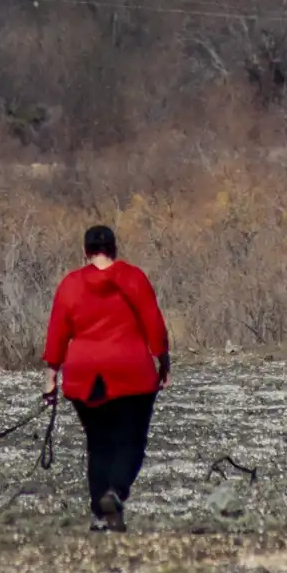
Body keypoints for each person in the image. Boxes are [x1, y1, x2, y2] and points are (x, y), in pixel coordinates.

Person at [42, 224, 170, 532]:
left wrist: (50, 376)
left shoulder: (71, 284)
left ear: (85, 251)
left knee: (98, 444)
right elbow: (154, 323)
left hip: (85, 374)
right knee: (131, 441)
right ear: (114, 248)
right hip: (132, 371)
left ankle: (101, 515)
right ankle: (115, 493)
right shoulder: (133, 277)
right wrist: (163, 361)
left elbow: (58, 332)